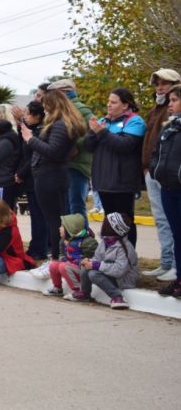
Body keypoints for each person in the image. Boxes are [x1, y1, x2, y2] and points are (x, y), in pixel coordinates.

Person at [20, 90, 86, 263]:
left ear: (52, 105)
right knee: (56, 220)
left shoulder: (60, 124)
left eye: (45, 104)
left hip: (50, 176)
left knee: (54, 221)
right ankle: (60, 257)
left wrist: (30, 139)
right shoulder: (64, 123)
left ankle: (56, 259)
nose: (43, 109)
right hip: (52, 175)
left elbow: (53, 152)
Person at [84, 88, 146, 247]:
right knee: (110, 221)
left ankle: (128, 258)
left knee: (125, 221)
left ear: (125, 105)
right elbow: (88, 146)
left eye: (113, 102)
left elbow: (125, 145)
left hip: (122, 182)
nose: (108, 105)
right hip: (104, 181)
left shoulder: (135, 121)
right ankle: (112, 256)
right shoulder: (104, 121)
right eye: (108, 102)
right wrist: (93, 132)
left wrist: (102, 132)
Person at [141, 69, 181, 281]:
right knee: (161, 220)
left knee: (171, 221)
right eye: (157, 83)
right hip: (154, 170)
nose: (160, 87)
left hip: (169, 174)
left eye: (165, 83)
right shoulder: (157, 108)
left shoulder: (172, 111)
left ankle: (175, 264)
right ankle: (166, 262)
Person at [47, 78, 94, 224]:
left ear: (65, 93)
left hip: (77, 165)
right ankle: (70, 243)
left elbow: (92, 134)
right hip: (64, 165)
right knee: (67, 208)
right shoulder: (61, 111)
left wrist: (71, 145)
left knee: (76, 208)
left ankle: (82, 244)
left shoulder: (81, 110)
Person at [151, 84, 181, 297]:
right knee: (177, 235)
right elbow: (156, 152)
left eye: (174, 100)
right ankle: (179, 279)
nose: (169, 104)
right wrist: (155, 171)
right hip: (167, 187)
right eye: (169, 100)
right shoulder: (169, 127)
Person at [74, 212, 139, 310]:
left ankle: (118, 297)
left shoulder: (125, 248)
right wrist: (89, 262)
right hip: (111, 273)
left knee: (93, 274)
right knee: (86, 267)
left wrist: (97, 265)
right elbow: (97, 258)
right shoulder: (105, 241)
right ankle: (85, 293)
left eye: (105, 224)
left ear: (112, 228)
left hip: (124, 279)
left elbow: (119, 270)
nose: (102, 226)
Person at [14, 101, 47, 259]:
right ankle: (36, 246)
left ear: (37, 116)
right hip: (30, 179)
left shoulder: (39, 133)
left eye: (27, 114)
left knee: (39, 215)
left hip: (36, 178)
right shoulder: (30, 130)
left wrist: (21, 173)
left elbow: (33, 156)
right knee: (35, 215)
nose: (25, 116)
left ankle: (39, 249)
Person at [42, 213, 96, 296]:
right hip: (71, 267)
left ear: (70, 229)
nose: (59, 228)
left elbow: (93, 260)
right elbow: (62, 255)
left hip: (83, 271)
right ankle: (57, 288)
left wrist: (79, 261)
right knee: (53, 265)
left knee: (63, 266)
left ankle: (78, 290)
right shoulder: (64, 241)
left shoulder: (87, 241)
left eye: (62, 227)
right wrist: (63, 258)